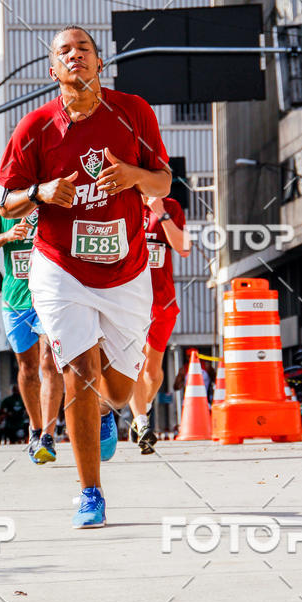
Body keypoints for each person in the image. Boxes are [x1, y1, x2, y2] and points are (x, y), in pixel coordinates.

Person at [0, 24, 171, 528]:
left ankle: (109, 412)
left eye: (84, 49)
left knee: (115, 389)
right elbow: (5, 204)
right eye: (64, 52)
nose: (75, 56)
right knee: (79, 372)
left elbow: (162, 179)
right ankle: (90, 492)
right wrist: (42, 193)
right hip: (60, 269)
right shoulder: (35, 127)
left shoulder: (133, 110)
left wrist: (135, 177)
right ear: (54, 70)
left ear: (99, 64)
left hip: (126, 270)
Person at [0, 201, 64, 463]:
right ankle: (35, 430)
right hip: (15, 300)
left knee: (50, 363)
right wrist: (7, 236)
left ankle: (48, 435)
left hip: (50, 297)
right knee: (27, 367)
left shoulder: (50, 197)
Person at [129, 194, 192, 454]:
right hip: (129, 298)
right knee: (134, 364)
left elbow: (184, 248)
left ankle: (143, 408)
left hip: (161, 301)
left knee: (153, 373)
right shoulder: (123, 201)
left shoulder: (171, 205)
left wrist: (161, 213)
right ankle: (143, 423)